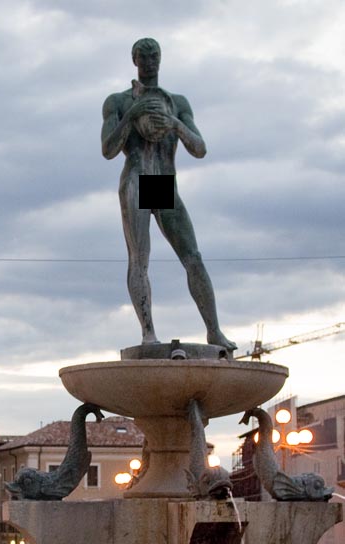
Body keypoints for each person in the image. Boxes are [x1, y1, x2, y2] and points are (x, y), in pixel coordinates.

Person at [101, 37, 236, 351]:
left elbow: (200, 149)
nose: (150, 62)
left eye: (155, 56)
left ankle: (214, 330)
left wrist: (174, 123)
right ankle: (148, 332)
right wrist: (133, 114)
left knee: (193, 257)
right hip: (137, 176)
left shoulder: (176, 101)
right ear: (134, 60)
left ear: (161, 59)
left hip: (161, 181)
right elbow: (108, 149)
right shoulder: (118, 101)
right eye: (144, 57)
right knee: (140, 258)